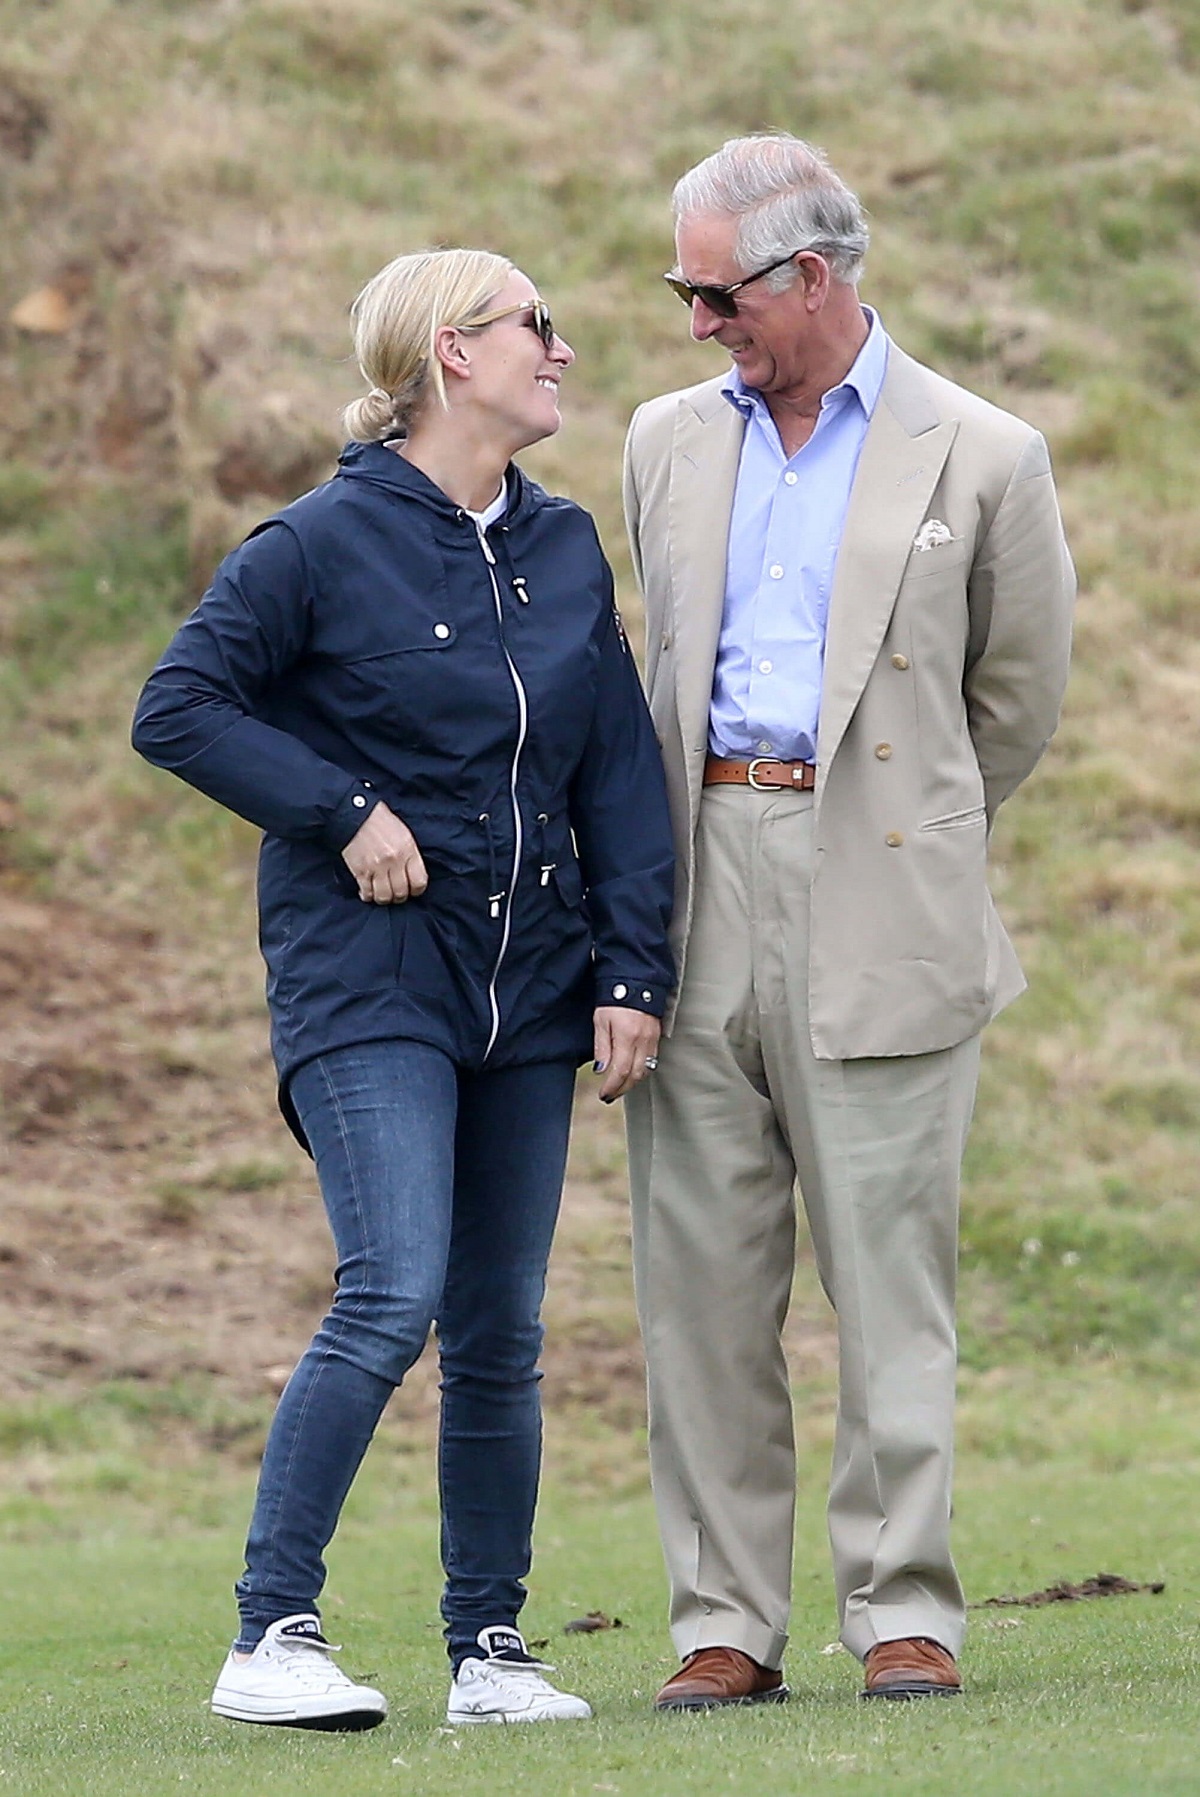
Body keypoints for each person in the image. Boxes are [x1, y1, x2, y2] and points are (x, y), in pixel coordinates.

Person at [132, 248, 674, 1731]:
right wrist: (341, 805)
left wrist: (632, 968)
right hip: (368, 981)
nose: (560, 352)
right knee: (392, 1291)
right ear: (453, 353)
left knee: (499, 1332)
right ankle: (271, 1633)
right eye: (534, 327)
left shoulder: (564, 549)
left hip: (535, 989)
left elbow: (619, 774)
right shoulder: (314, 544)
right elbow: (176, 708)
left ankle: (489, 1651)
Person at [622, 135, 1074, 1708]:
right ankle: (721, 1621)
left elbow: (1013, 702)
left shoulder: (987, 451)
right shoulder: (664, 440)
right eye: (684, 289)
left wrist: (909, 830)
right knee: (699, 1276)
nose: (697, 322)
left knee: (889, 1272)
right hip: (698, 880)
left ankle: (906, 1607)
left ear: (812, 275)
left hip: (883, 880)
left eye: (715, 290)